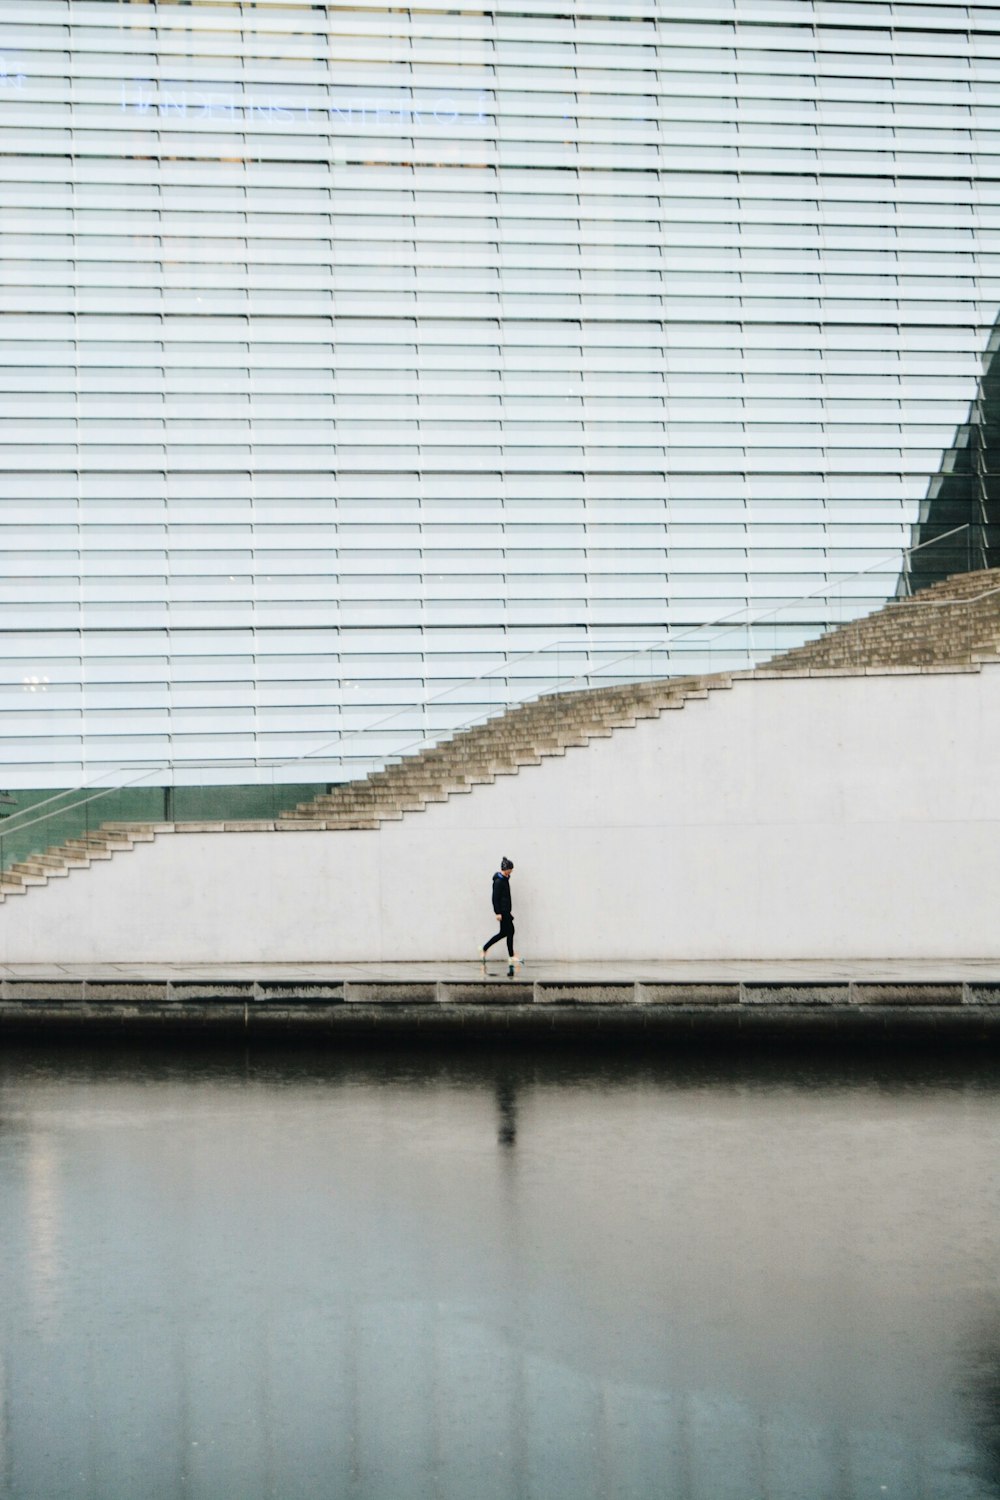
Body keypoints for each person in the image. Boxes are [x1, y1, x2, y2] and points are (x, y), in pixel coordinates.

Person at [481, 856, 519, 970]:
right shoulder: (499, 881)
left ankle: (484, 947)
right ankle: (511, 956)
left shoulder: (505, 879)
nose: (511, 871)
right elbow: (495, 898)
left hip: (506, 910)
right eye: (510, 869)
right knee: (510, 931)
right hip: (503, 911)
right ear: (506, 869)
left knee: (504, 933)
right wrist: (497, 912)